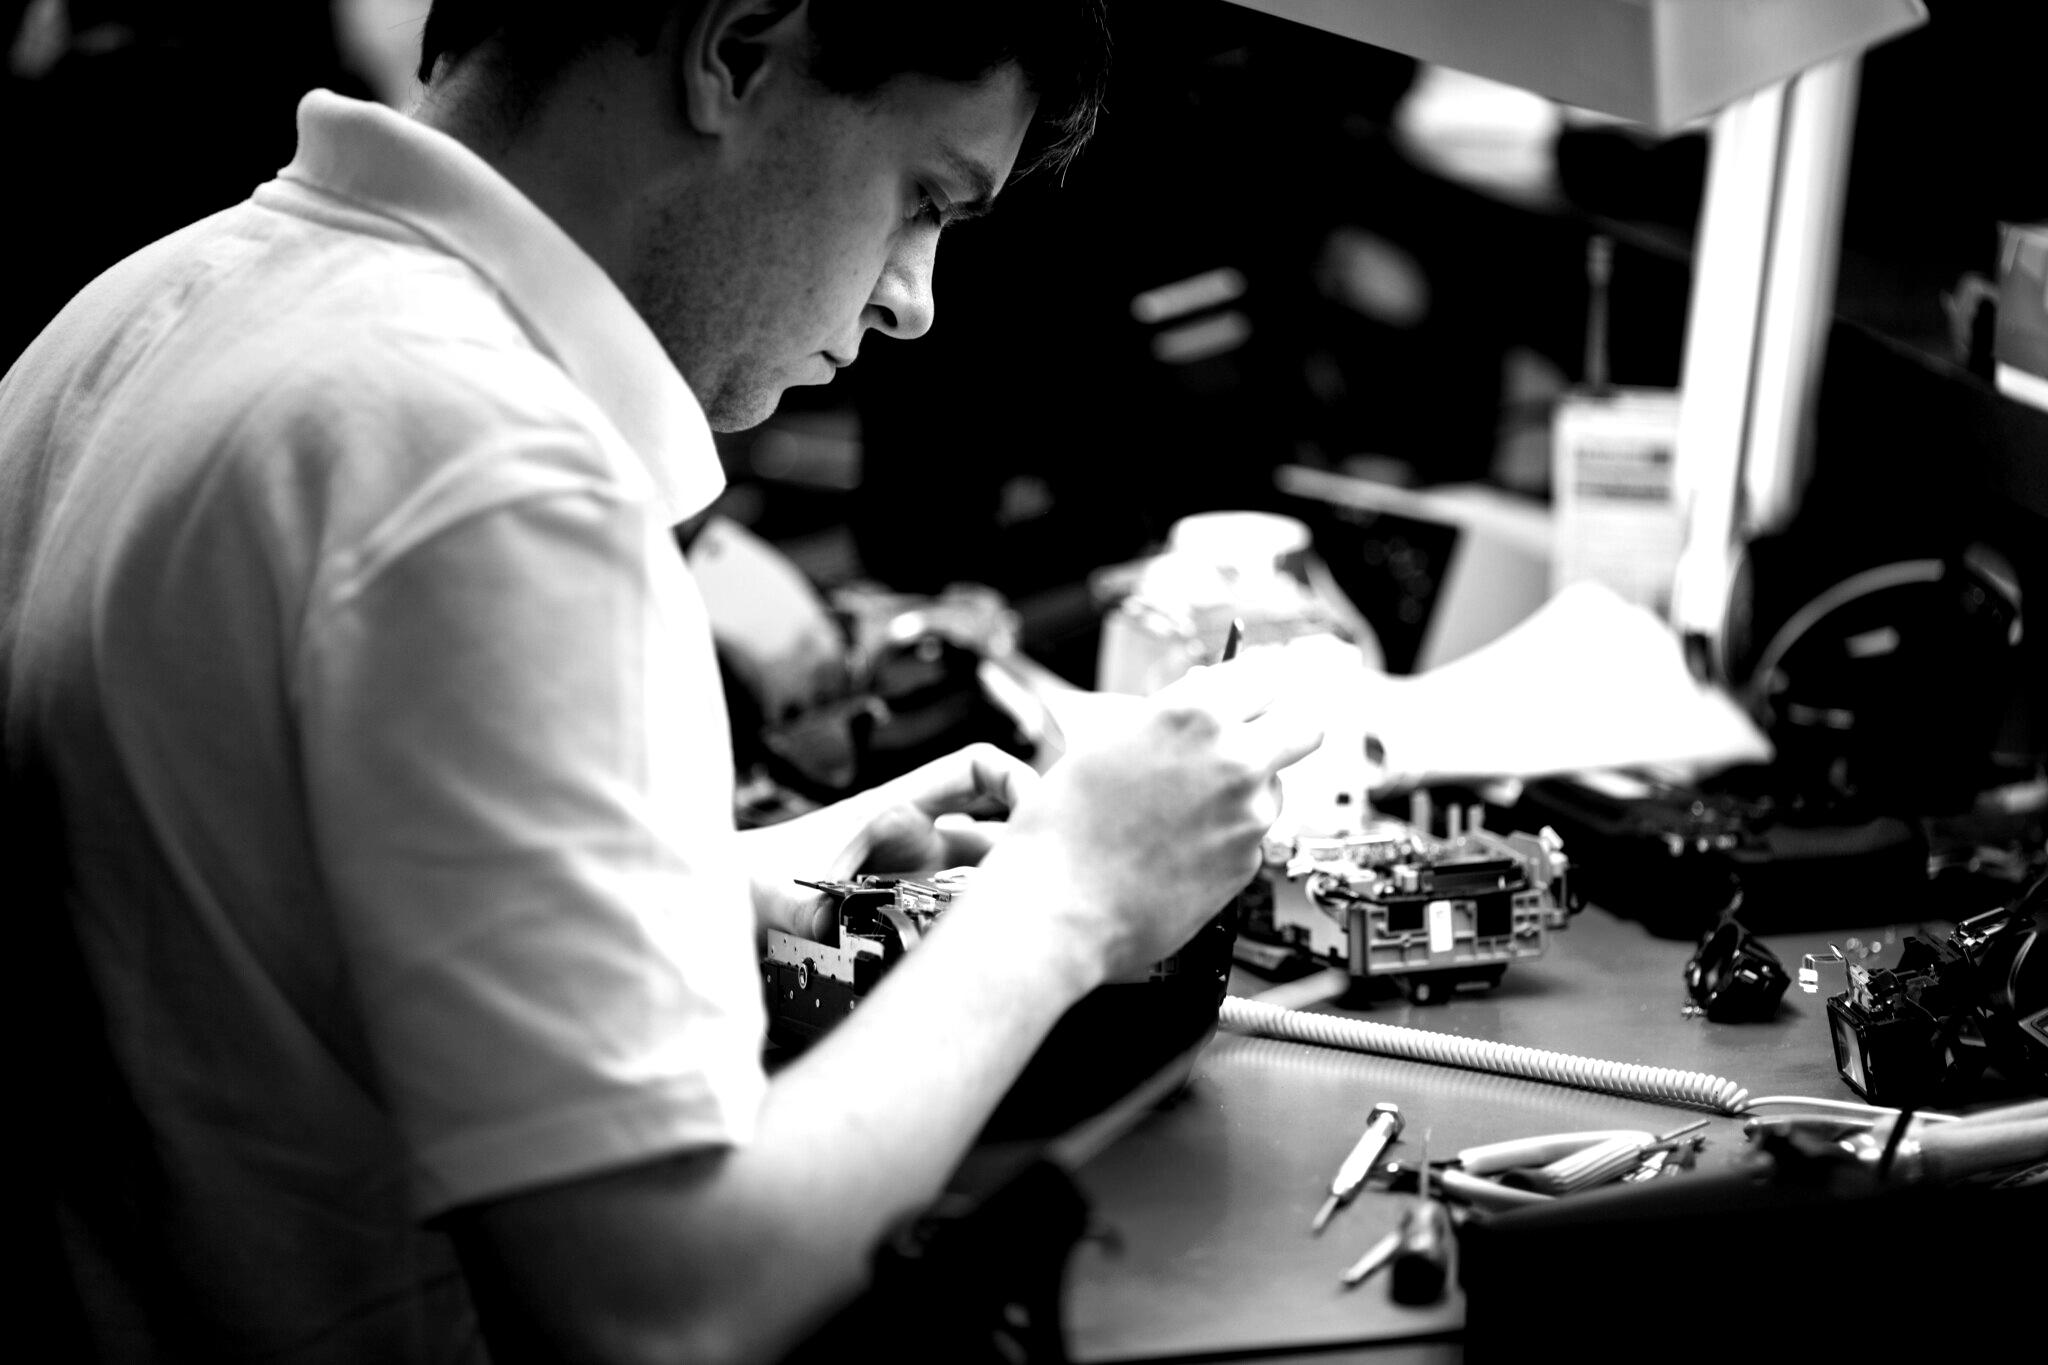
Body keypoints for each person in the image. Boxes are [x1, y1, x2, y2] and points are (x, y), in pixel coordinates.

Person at [0, 2, 1323, 1362]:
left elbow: (239, 916)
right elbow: (665, 1305)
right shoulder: (495, 472)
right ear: (739, 50)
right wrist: (1067, 895)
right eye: (923, 197)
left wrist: (703, 878)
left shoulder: (143, 310)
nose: (914, 301)